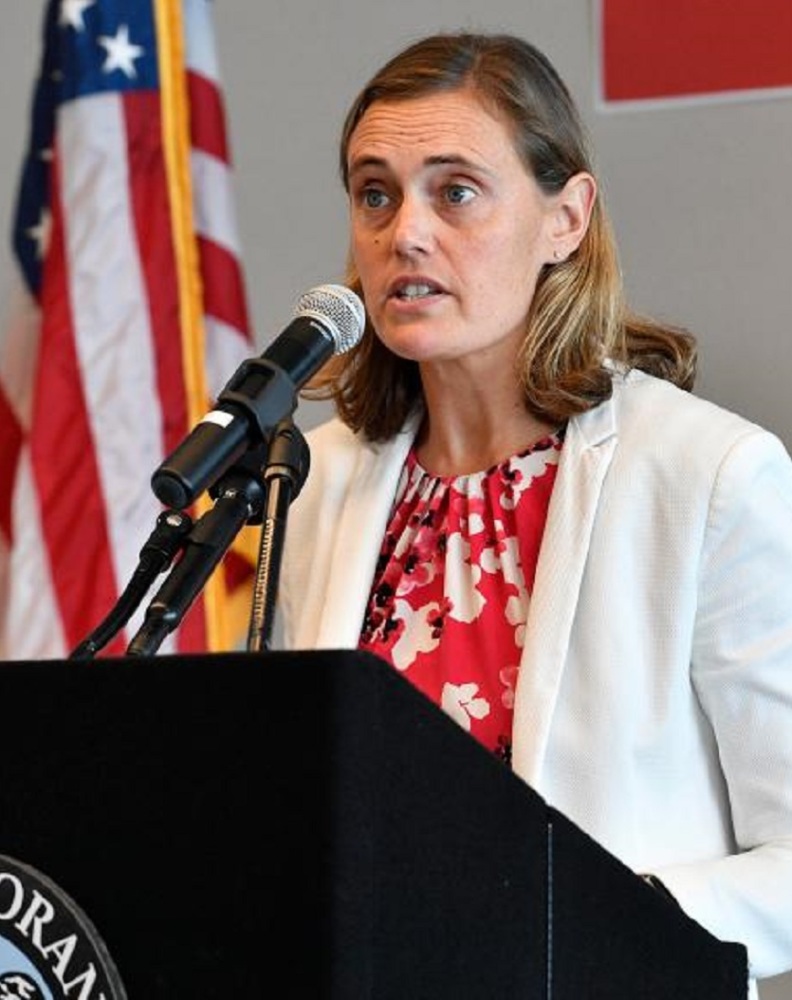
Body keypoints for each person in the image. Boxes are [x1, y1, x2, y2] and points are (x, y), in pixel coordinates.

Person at [278, 31, 792, 995]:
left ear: (566, 218)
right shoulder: (317, 484)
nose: (407, 233)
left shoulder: (709, 476)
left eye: (456, 190)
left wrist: (579, 928)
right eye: (375, 192)